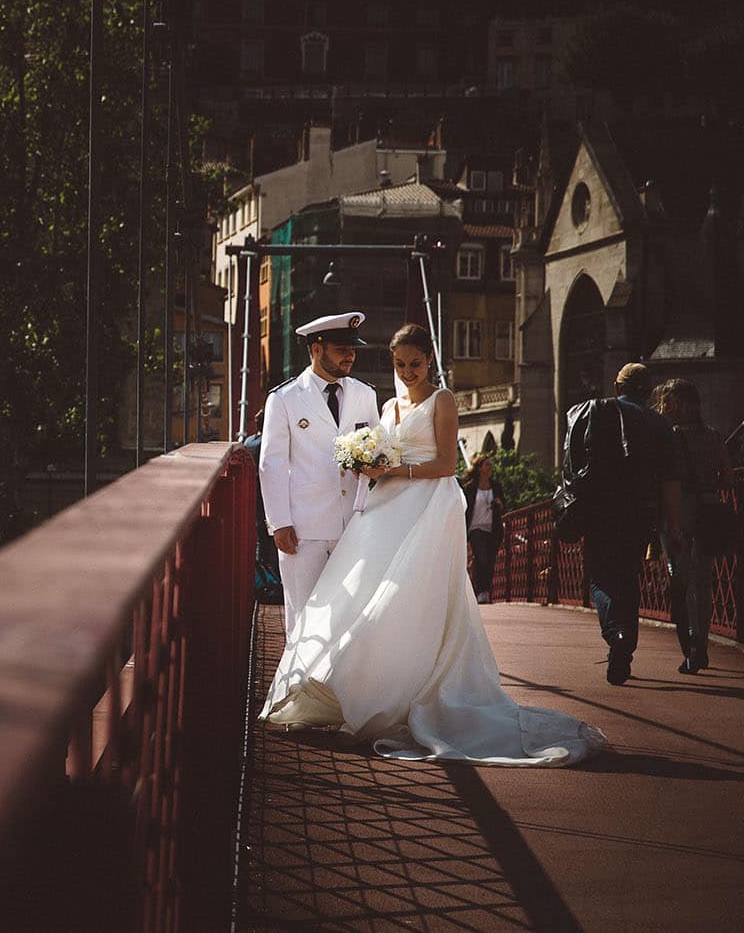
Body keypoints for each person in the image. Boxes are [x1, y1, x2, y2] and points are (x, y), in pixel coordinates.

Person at [259, 324, 605, 766]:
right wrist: (371, 463)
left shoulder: (441, 400)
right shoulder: (384, 402)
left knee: (405, 599)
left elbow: (444, 463)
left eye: (415, 364)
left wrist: (390, 471)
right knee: (367, 598)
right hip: (382, 509)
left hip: (425, 508)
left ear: (430, 360)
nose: (407, 372)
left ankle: (390, 700)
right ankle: (341, 693)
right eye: (400, 364)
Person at [257, 312, 380, 643]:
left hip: (355, 524)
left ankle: (339, 692)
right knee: (302, 619)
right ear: (316, 348)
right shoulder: (283, 399)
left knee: (352, 618)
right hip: (303, 528)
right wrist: (279, 523)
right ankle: (296, 691)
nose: (350, 355)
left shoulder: (365, 395)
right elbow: (272, 464)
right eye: (342, 348)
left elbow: (375, 453)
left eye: (353, 348)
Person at [580, 363, 683, 685]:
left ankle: (617, 634)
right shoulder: (660, 426)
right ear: (649, 390)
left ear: (616, 387)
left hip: (599, 511)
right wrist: (674, 525)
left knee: (600, 578)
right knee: (627, 576)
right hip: (640, 514)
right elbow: (670, 481)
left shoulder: (597, 415)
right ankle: (624, 647)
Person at [650, 378, 736, 675]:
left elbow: (659, 477)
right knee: (704, 581)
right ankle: (702, 644)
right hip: (709, 508)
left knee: (681, 579)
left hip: (678, 510)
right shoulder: (713, 436)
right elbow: (727, 479)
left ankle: (690, 648)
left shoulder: (668, 437)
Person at [242, 409, 283, 605]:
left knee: (259, 540)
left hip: (251, 499)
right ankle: (272, 582)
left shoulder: (248, 443)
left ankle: (259, 582)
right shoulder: (271, 445)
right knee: (272, 540)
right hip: (270, 498)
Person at [461, 454, 506, 604]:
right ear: (479, 468)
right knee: (482, 558)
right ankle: (481, 591)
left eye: (490, 465)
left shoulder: (496, 486)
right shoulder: (470, 488)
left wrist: (499, 503)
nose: (490, 468)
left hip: (493, 529)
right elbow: (464, 508)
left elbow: (504, 507)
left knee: (490, 561)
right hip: (476, 528)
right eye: (487, 465)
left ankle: (484, 590)